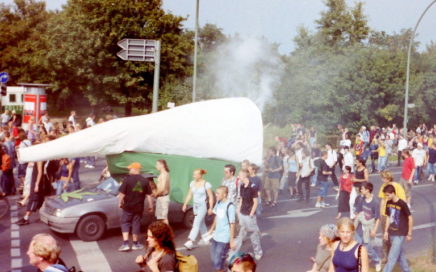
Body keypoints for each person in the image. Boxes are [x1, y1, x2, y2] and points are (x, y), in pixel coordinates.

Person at [117, 162, 153, 252]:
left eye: (130, 169)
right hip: (139, 207)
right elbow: (149, 195)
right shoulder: (145, 181)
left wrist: (120, 202)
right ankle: (135, 243)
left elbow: (122, 193)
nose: (129, 170)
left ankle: (125, 244)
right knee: (136, 223)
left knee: (125, 222)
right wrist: (151, 205)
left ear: (135, 169)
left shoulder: (127, 180)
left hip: (128, 207)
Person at [230, 169, 263, 261]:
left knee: (253, 234)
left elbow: (255, 202)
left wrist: (251, 214)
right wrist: (238, 211)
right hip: (242, 213)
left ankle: (258, 252)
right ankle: (234, 252)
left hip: (249, 214)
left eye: (239, 175)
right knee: (241, 234)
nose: (238, 177)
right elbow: (241, 200)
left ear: (244, 176)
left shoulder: (253, 187)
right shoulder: (241, 186)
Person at [382, 184, 413, 272]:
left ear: (393, 193)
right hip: (391, 233)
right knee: (400, 256)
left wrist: (409, 233)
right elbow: (388, 217)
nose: (386, 197)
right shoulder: (388, 202)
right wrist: (386, 232)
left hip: (400, 234)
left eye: (387, 195)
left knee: (391, 257)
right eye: (385, 195)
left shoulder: (402, 204)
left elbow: (410, 218)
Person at [182, 169, 214, 250]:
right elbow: (189, 194)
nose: (194, 176)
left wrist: (210, 207)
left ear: (200, 175)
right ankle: (206, 238)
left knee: (196, 223)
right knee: (201, 222)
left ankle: (190, 241)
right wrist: (185, 204)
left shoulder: (206, 184)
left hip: (202, 206)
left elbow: (211, 197)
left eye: (195, 174)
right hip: (195, 206)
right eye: (194, 174)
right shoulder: (192, 183)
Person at [206, 186, 236, 272]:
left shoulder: (230, 206)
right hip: (216, 236)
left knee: (217, 261)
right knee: (214, 259)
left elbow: (232, 224)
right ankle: (225, 261)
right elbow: (217, 216)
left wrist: (231, 240)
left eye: (218, 193)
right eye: (216, 193)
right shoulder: (218, 202)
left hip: (224, 238)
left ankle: (224, 265)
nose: (216, 195)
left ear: (225, 194)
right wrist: (211, 229)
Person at [354, 182, 382, 272]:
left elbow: (378, 218)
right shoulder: (361, 199)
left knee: (368, 248)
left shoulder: (375, 202)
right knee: (358, 243)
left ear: (367, 190)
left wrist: (374, 230)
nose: (360, 190)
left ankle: (377, 261)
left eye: (362, 189)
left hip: (369, 228)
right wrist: (354, 223)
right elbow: (358, 212)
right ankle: (363, 260)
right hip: (360, 225)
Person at [16, 159, 47, 225]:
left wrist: (37, 184)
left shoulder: (39, 159)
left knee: (33, 200)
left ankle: (26, 218)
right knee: (39, 200)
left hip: (36, 182)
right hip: (35, 181)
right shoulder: (37, 158)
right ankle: (46, 216)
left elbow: (40, 172)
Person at [154, 159, 171, 225]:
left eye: (157, 164)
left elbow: (163, 188)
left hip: (163, 198)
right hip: (161, 197)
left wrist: (156, 194)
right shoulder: (163, 174)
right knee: (161, 218)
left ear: (162, 165)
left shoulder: (164, 174)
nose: (156, 166)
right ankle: (163, 233)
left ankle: (168, 234)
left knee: (163, 218)